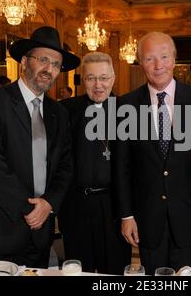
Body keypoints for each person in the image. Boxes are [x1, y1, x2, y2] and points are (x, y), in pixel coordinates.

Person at [0, 26, 79, 268]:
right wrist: (30, 210)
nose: (49, 69)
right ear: (24, 61)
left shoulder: (59, 113)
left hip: (39, 231)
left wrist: (48, 204)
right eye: (43, 60)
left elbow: (65, 166)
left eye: (56, 64)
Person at [115, 32, 191, 274]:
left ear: (174, 59)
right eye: (150, 59)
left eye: (164, 57)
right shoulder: (125, 105)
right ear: (140, 63)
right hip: (147, 219)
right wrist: (126, 215)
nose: (158, 65)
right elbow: (122, 166)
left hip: (189, 218)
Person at [58, 52, 131, 274]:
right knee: (79, 269)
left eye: (104, 78)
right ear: (82, 80)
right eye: (91, 78)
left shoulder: (128, 111)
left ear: (113, 78)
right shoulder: (65, 110)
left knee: (115, 271)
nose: (98, 85)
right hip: (75, 205)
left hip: (114, 207)